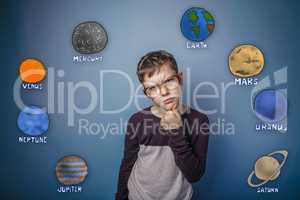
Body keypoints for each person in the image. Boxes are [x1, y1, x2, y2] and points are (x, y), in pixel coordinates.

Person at [115, 50, 209, 200]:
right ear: (147, 93)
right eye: (152, 88)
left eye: (168, 81)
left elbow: (194, 175)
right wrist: (120, 197)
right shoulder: (137, 121)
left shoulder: (199, 121)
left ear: (180, 79)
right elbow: (127, 163)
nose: (164, 92)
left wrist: (176, 131)